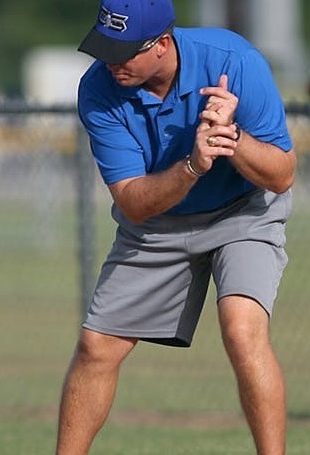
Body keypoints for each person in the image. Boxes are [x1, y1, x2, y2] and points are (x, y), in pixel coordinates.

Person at [56, 1, 296, 454]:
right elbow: (133, 202)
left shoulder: (235, 62)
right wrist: (193, 165)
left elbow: (282, 175)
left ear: (162, 44)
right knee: (96, 346)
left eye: (123, 52)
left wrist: (231, 138)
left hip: (242, 211)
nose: (111, 63)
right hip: (158, 221)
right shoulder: (98, 90)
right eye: (104, 49)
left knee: (242, 331)